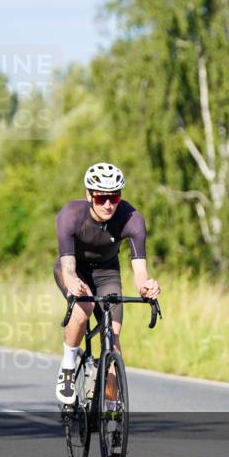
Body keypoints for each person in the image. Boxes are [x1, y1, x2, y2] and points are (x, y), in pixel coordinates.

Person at [53, 162, 161, 405]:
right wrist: (72, 282)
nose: (109, 204)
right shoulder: (70, 215)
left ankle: (111, 408)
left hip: (107, 272)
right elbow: (67, 267)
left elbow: (140, 272)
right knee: (83, 309)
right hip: (73, 267)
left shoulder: (132, 219)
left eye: (115, 197)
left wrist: (146, 286)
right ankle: (68, 367)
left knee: (113, 337)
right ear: (89, 195)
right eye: (101, 198)